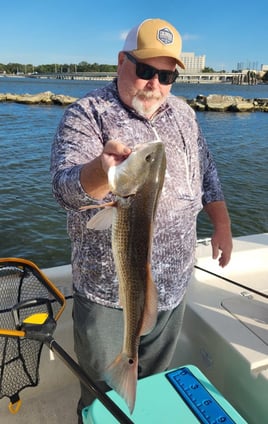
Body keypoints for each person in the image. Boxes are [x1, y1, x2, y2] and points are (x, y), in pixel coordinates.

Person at [51, 18, 233, 421]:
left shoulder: (184, 114)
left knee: (152, 392)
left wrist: (221, 224)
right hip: (107, 299)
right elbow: (64, 189)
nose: (155, 84)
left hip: (173, 286)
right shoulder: (87, 114)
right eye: (146, 70)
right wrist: (102, 172)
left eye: (166, 75)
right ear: (121, 61)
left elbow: (208, 174)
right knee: (102, 401)